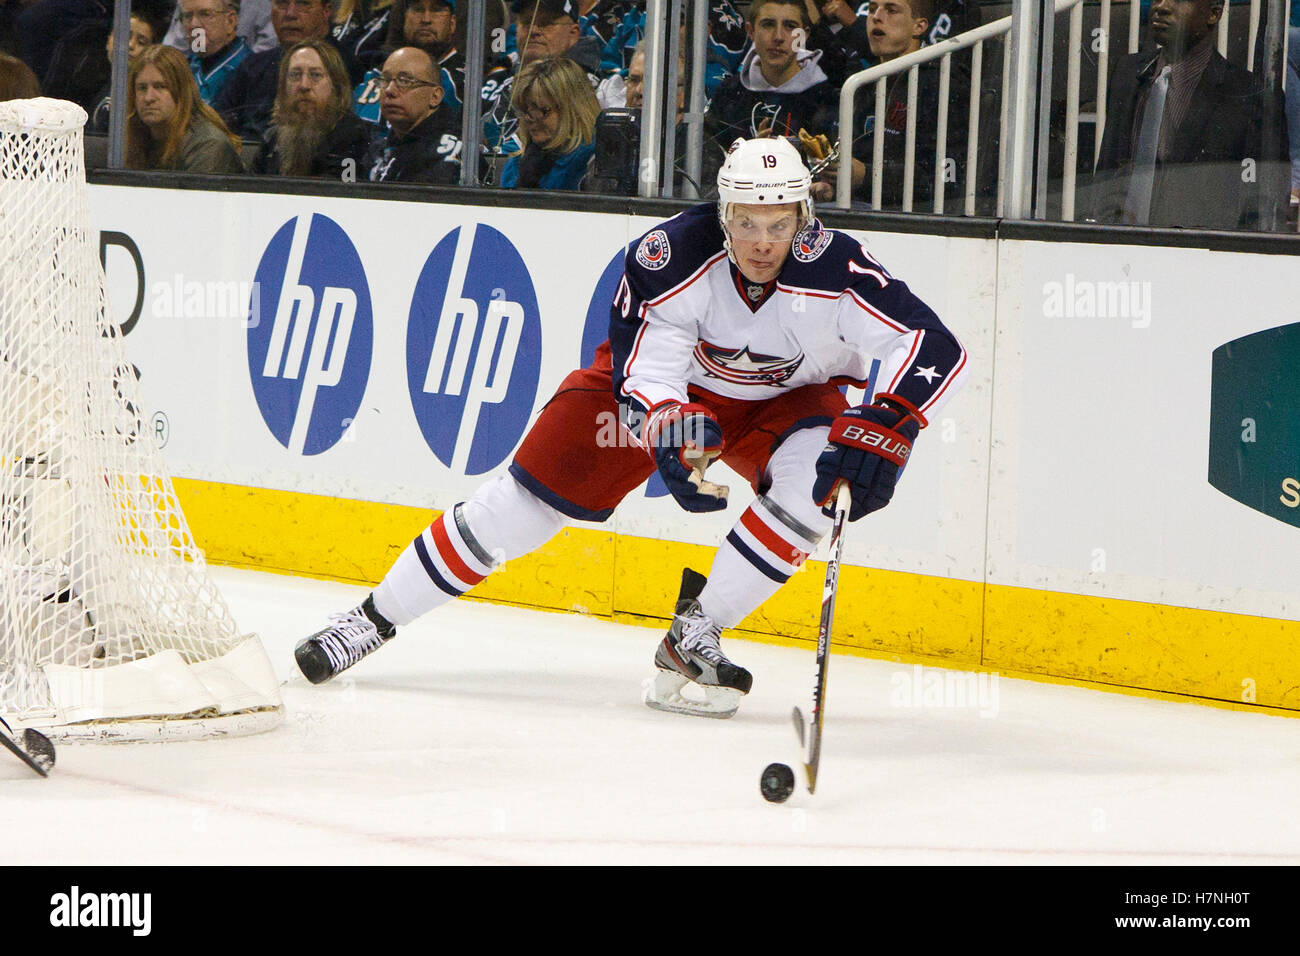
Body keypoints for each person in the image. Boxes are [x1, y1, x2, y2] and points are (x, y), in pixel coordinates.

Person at [292, 137, 968, 720]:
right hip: (676, 393)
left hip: (789, 400)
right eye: (747, 222)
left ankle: (695, 633)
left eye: (780, 223)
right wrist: (672, 429)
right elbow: (649, 374)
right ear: (722, 213)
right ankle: (371, 619)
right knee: (520, 511)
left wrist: (891, 419)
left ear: (805, 216)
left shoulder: (838, 266)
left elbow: (932, 344)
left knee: (814, 487)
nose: (764, 243)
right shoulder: (667, 255)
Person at [1090, 0, 1290, 230]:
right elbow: (1107, 172)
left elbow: (1262, 202)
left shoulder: (1249, 95)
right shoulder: (1127, 73)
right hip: (1120, 250)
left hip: (1199, 255)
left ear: (1213, 14)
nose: (1161, 7)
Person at [812, 0, 971, 212]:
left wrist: (867, 176)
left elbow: (947, 177)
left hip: (915, 220)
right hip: (859, 208)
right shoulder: (862, 81)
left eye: (891, 10)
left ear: (919, 26)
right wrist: (833, 185)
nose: (876, 17)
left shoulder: (943, 82)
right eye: (871, 9)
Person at [701, 0, 840, 187]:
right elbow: (707, 161)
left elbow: (833, 171)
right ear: (750, 31)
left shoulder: (828, 99)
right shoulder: (728, 93)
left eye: (790, 26)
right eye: (768, 25)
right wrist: (749, 159)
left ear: (804, 35)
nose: (778, 37)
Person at [482, 0, 604, 166]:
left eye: (546, 24)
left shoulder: (590, 88)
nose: (533, 30)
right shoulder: (494, 80)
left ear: (573, 33)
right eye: (526, 22)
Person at [214, 0, 355, 140]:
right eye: (282, 3)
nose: (290, 14)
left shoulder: (346, 68)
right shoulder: (253, 66)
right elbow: (219, 125)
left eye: (303, 4)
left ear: (326, 11)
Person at [254, 38, 371, 176]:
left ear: (336, 85)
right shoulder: (272, 138)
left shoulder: (352, 135)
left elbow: (344, 190)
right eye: (295, 75)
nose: (304, 85)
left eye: (315, 75)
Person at [125, 43, 245, 172]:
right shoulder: (135, 137)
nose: (148, 98)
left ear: (182, 91)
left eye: (160, 86)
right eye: (142, 88)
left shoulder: (208, 146)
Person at [352, 0, 462, 125]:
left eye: (436, 10)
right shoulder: (376, 73)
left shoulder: (464, 82)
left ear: (452, 23)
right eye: (417, 9)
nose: (426, 19)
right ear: (405, 19)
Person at [364, 44, 460, 182]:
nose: (389, 90)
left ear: (435, 97)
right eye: (384, 80)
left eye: (404, 81)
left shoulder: (452, 153)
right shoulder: (377, 148)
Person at [502, 53, 599, 190]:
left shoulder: (593, 163)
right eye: (524, 109)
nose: (528, 118)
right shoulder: (516, 163)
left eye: (541, 110)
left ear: (573, 109)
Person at [88, 6, 160, 131]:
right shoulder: (92, 83)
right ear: (108, 40)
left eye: (141, 42)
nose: (131, 45)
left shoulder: (144, 97)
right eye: (124, 36)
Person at [180, 0, 251, 104]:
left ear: (230, 21)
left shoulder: (252, 71)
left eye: (205, 14)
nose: (194, 24)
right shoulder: (182, 68)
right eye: (187, 16)